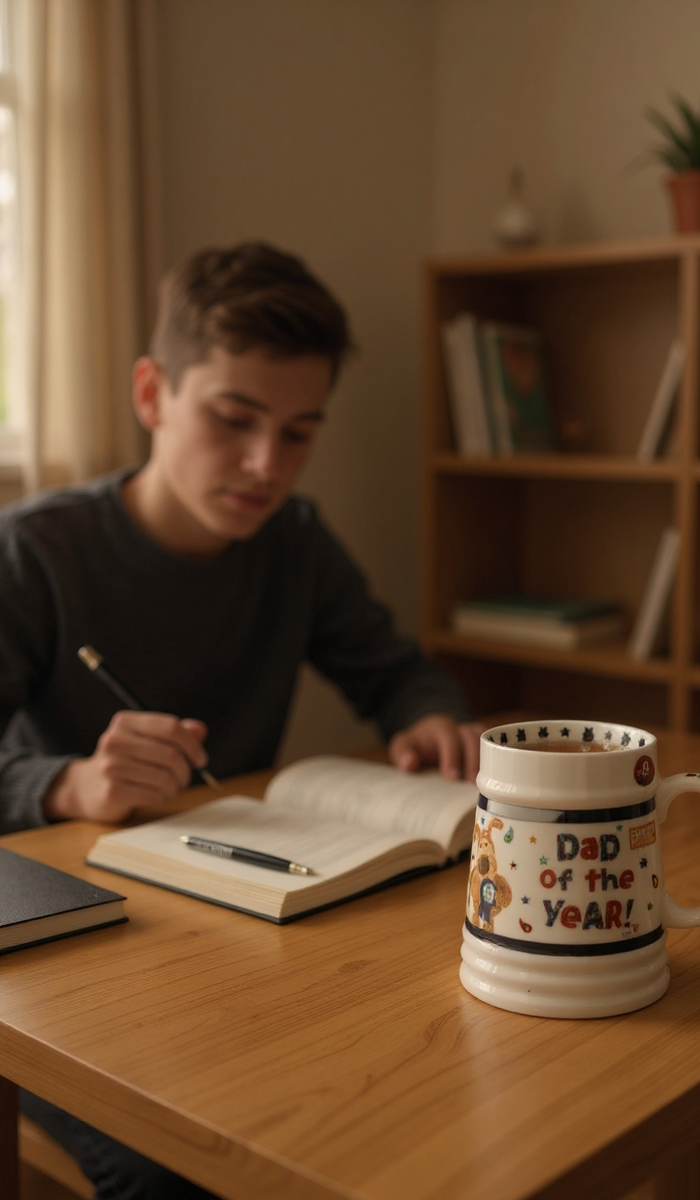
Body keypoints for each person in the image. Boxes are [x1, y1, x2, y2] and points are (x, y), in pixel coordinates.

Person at [2, 240, 481, 1199]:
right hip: (65, 964)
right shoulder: (36, 551)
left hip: (241, 933)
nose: (267, 466)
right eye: (234, 420)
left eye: (300, 432)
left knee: (403, 1109)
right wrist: (68, 782)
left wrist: (429, 717)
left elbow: (393, 670)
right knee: (191, 1170)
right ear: (152, 396)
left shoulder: (293, 544)